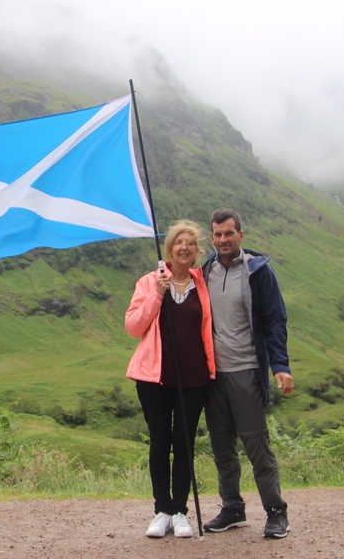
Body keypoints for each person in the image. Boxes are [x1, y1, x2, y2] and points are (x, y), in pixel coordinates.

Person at [200, 208, 295, 540]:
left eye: (228, 233)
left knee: (256, 444)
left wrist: (280, 366)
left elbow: (274, 321)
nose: (222, 240)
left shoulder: (259, 272)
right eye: (217, 234)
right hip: (213, 377)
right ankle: (232, 508)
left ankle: (275, 512)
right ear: (211, 238)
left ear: (241, 235)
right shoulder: (205, 271)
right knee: (222, 444)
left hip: (247, 372)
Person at [124, 220, 216, 539]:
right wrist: (157, 297)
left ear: (196, 252)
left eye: (190, 243)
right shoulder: (150, 282)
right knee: (160, 442)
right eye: (179, 242)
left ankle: (180, 511)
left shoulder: (201, 284)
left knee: (184, 443)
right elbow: (133, 326)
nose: (184, 247)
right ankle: (161, 510)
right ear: (169, 249)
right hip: (154, 379)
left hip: (194, 378)